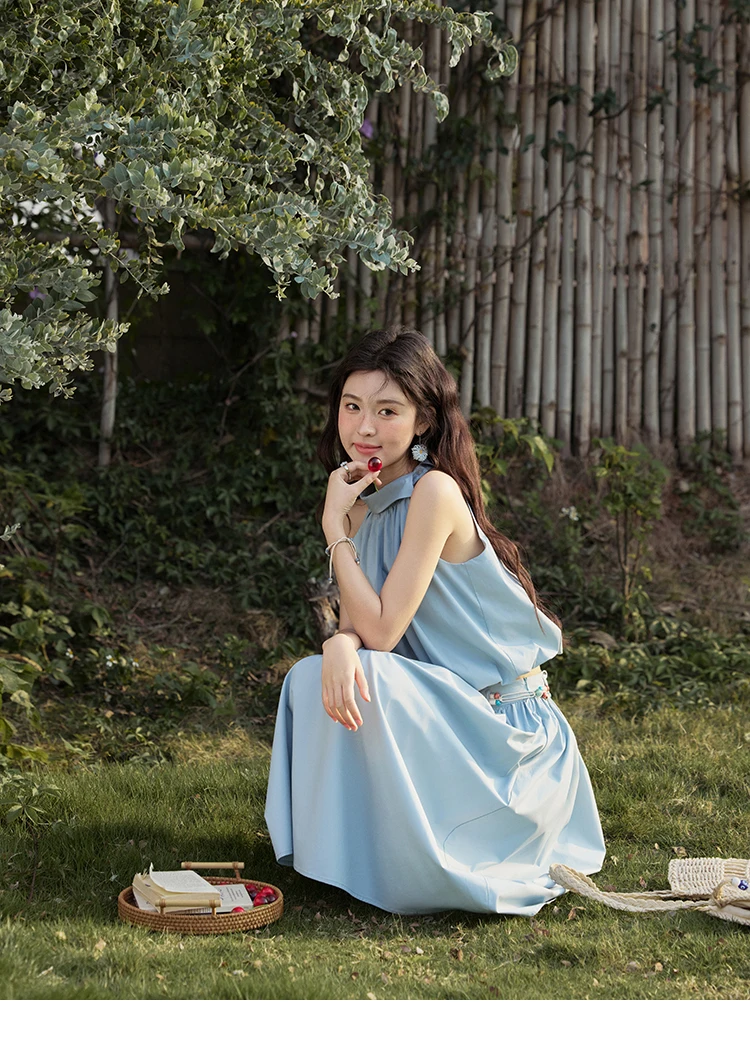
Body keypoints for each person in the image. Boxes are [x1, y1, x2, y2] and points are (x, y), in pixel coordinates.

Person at [264, 327, 605, 915]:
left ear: (423, 420)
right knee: (308, 678)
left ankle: (411, 856)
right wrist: (339, 644)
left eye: (386, 411)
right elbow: (362, 626)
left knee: (371, 673)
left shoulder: (435, 493)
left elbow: (382, 634)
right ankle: (345, 856)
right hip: (446, 715)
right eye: (352, 406)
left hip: (506, 735)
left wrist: (331, 530)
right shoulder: (364, 506)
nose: (364, 428)